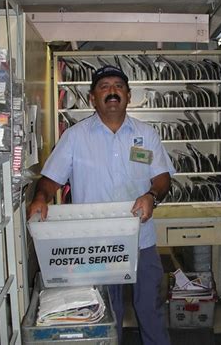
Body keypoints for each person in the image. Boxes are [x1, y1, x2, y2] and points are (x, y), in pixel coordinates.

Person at [27, 65, 175, 345]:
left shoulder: (146, 134)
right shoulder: (74, 137)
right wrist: (40, 198)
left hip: (141, 240)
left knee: (151, 309)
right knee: (104, 313)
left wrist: (151, 196)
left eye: (118, 86)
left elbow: (163, 179)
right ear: (92, 97)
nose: (112, 91)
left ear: (129, 95)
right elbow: (50, 180)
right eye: (104, 86)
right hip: (95, 245)